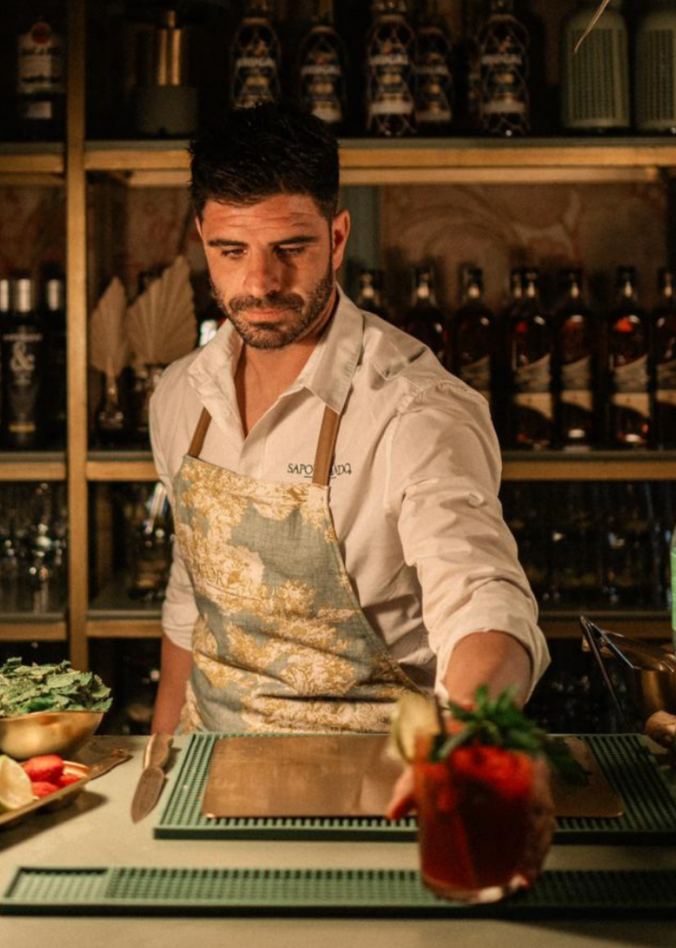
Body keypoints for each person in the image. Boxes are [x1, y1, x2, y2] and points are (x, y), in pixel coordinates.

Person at [149, 99, 549, 738]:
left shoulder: (415, 408)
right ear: (202, 238)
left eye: (291, 248)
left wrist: (465, 740)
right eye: (231, 250)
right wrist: (162, 765)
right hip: (209, 765)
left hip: (371, 773)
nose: (261, 282)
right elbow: (188, 606)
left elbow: (484, 601)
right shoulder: (178, 395)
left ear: (337, 239)